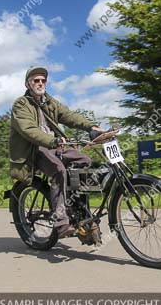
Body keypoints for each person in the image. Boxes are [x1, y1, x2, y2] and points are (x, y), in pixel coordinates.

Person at [9, 66, 105, 238]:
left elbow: (69, 116)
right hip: (35, 149)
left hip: (55, 146)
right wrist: (51, 141)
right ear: (27, 84)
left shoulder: (49, 101)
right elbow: (28, 129)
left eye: (43, 80)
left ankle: (78, 210)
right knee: (58, 171)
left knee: (84, 162)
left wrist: (91, 127)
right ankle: (60, 222)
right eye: (36, 80)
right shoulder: (21, 104)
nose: (40, 83)